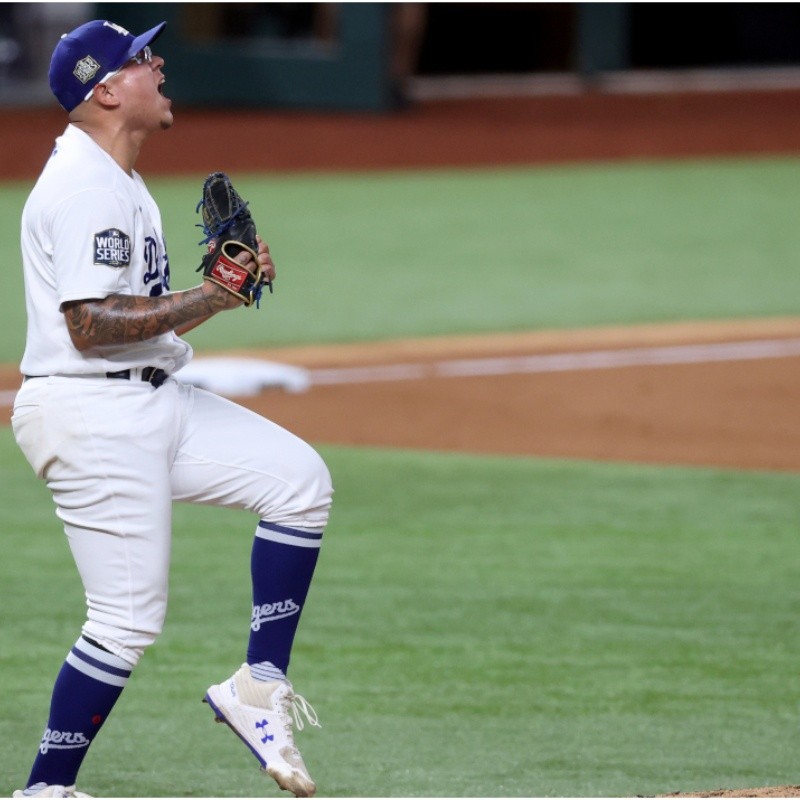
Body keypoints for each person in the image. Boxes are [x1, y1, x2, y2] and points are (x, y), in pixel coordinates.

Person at [11, 18, 333, 799]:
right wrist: (211, 292)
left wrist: (214, 300)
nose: (159, 64)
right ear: (107, 89)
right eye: (141, 58)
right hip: (94, 415)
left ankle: (257, 686)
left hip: (151, 400)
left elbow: (137, 319)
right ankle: (46, 790)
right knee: (125, 622)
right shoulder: (86, 185)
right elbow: (90, 329)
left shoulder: (118, 179)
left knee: (299, 482)